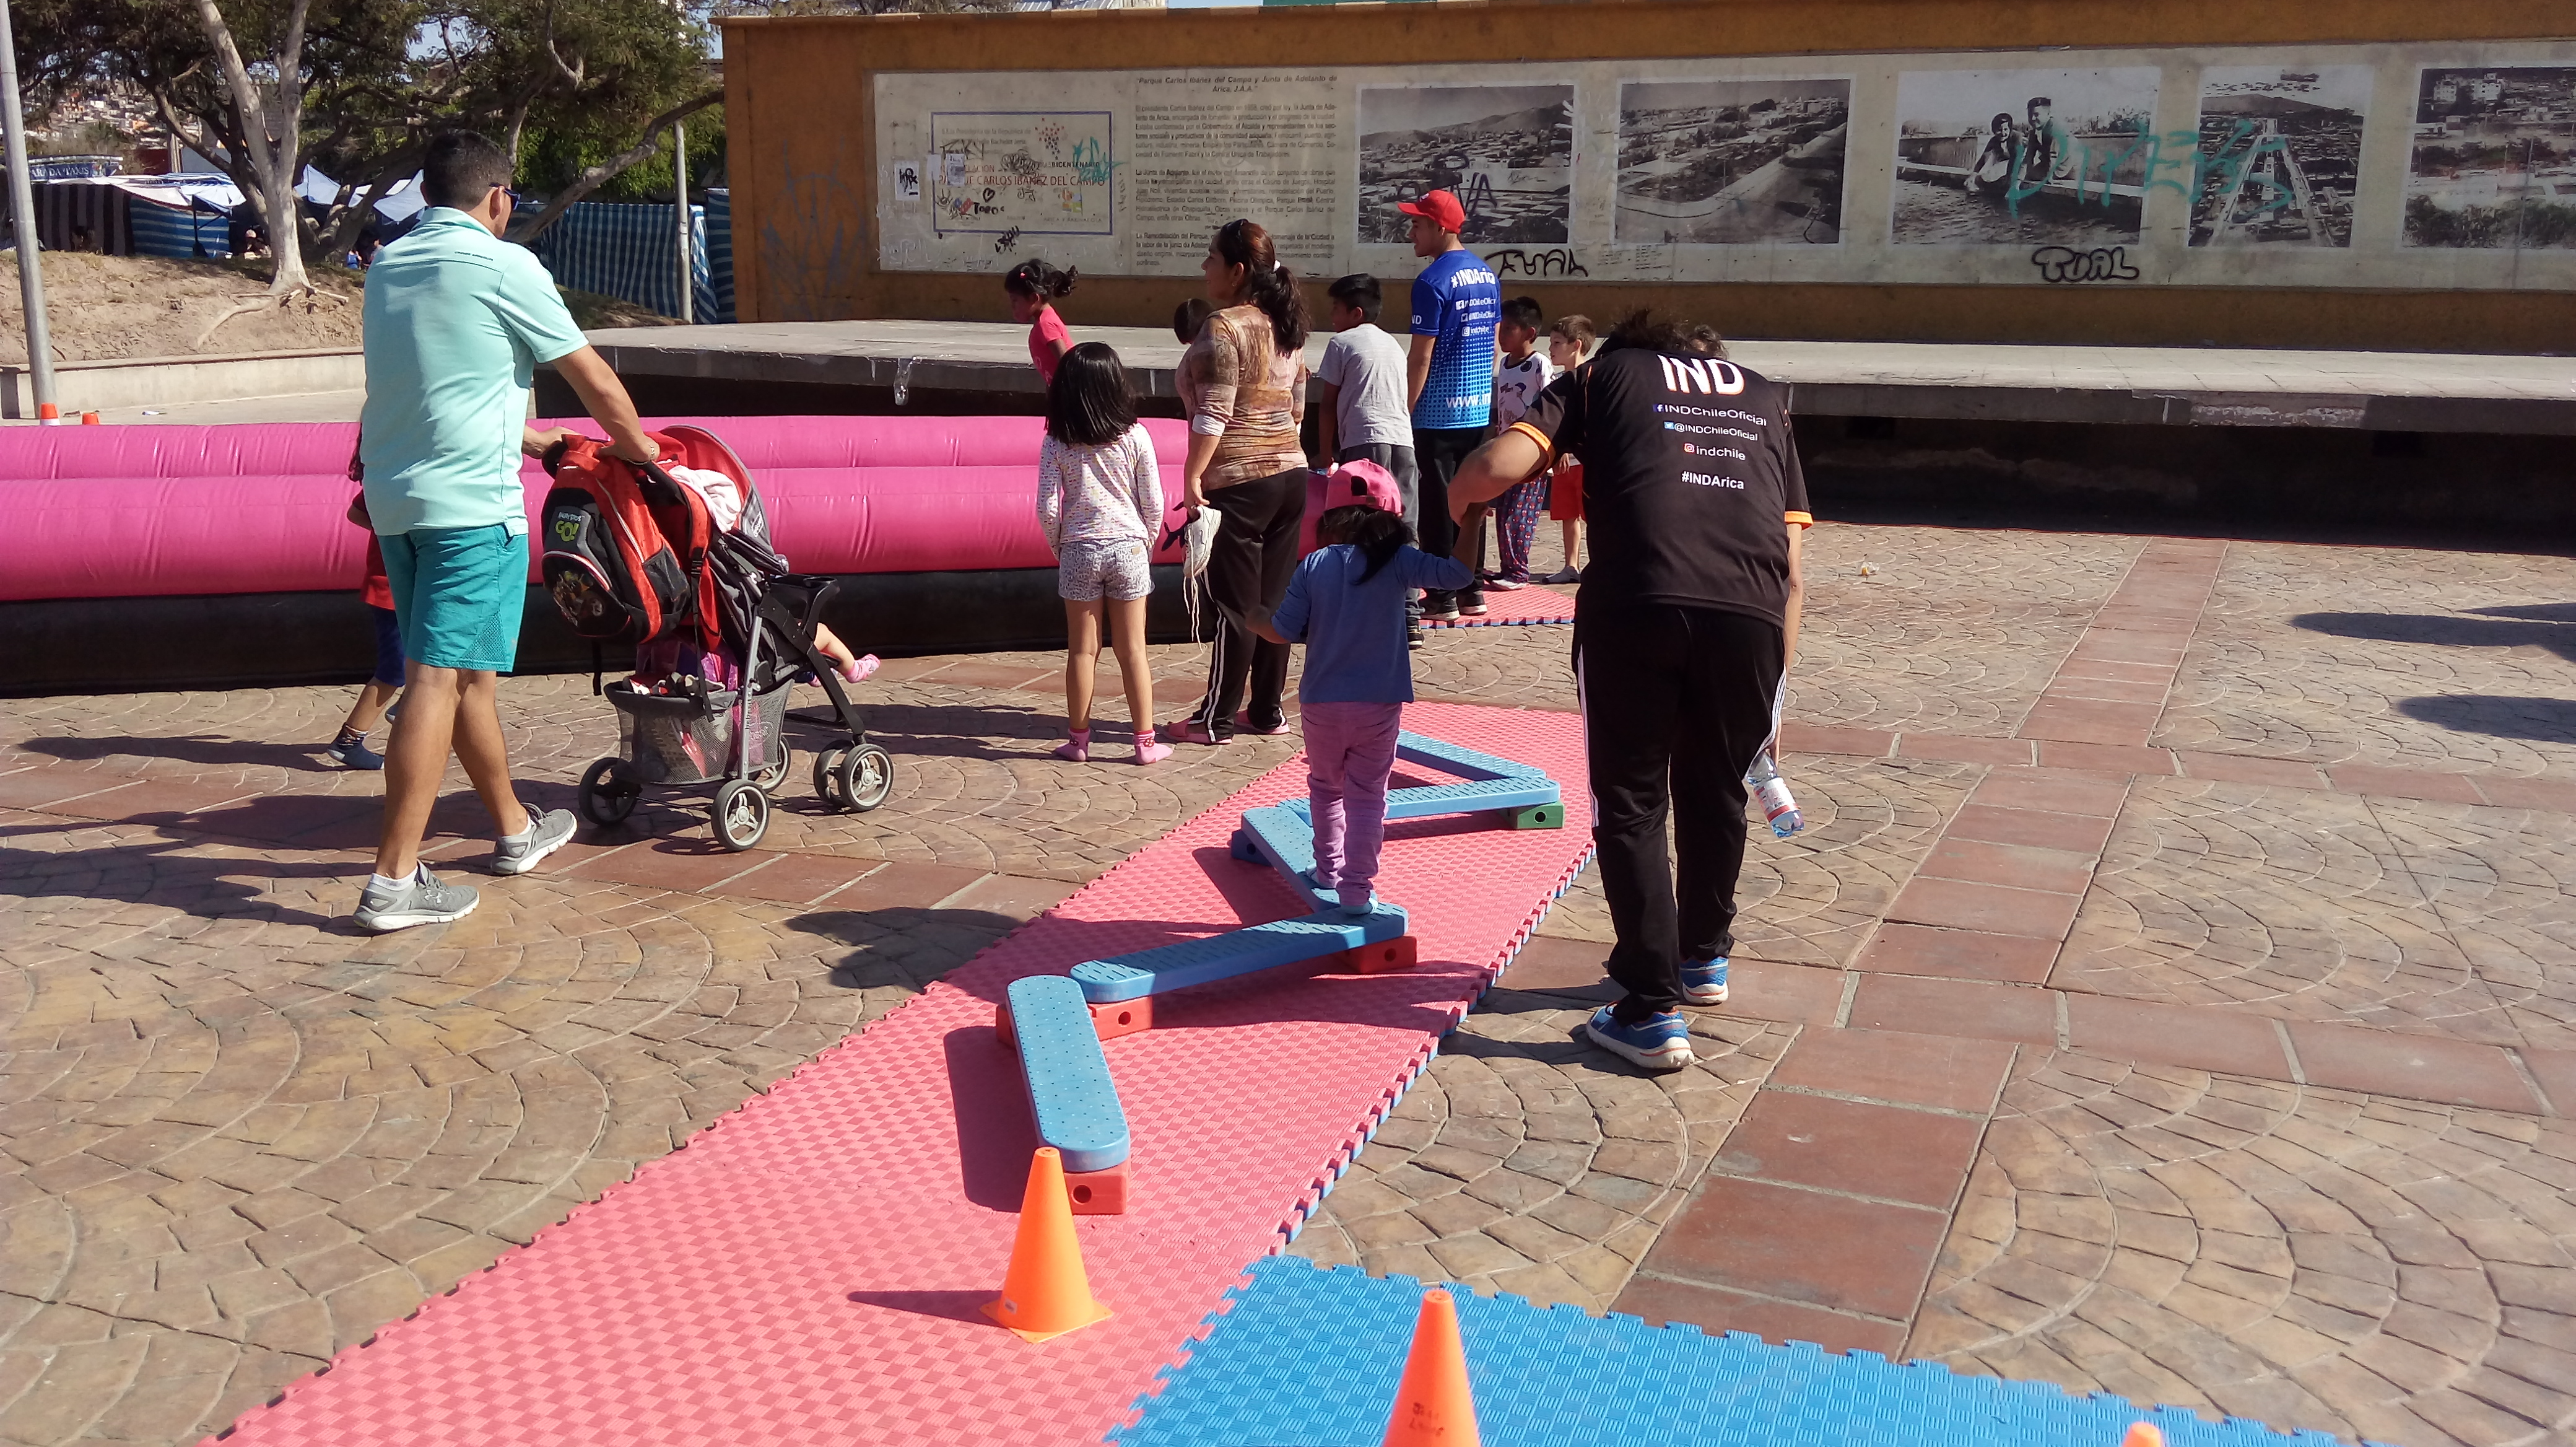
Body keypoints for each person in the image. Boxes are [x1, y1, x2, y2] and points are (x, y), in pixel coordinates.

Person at [1447, 311, 1809, 1072]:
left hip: (1637, 603)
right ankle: (1701, 957)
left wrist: (1458, 503)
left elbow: (1495, 468)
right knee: (1718, 788)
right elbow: (1792, 569)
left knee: (1632, 801)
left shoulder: (1602, 377)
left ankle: (1649, 1007)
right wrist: (1774, 692)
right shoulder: (1762, 397)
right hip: (1749, 614)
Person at [351, 129, 658, 934]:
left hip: (398, 501)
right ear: (499, 199)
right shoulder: (503, 265)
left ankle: (515, 830)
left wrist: (526, 438)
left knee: (467, 679)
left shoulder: (389, 264)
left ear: (426, 196)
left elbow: (435, 386)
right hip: (470, 509)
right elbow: (594, 380)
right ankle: (392, 880)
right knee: (434, 678)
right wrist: (643, 454)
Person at [1251, 503, 1471, 917]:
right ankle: (1356, 889)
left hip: (1322, 703)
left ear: (1331, 531)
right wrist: (1472, 522)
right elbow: (1458, 575)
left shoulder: (1316, 563)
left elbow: (1281, 630)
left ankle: (1328, 871)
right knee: (1369, 796)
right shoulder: (1396, 560)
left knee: (1326, 788)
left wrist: (1255, 617)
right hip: (1378, 704)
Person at [1169, 218, 1311, 747]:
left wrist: (1193, 474)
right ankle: (1268, 711)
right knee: (1272, 602)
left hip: (1239, 480)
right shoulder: (1286, 324)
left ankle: (1216, 720)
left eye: (1212, 257)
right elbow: (1298, 405)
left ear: (1238, 270)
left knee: (1234, 605)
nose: (1204, 267)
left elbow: (1215, 411)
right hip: (1289, 475)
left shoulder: (1224, 327)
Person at [1037, 341, 1173, 766]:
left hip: (1079, 548)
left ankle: (1078, 741)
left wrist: (1060, 544)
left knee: (1082, 650)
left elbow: (1047, 507)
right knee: (1133, 649)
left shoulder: (1056, 442)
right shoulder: (1136, 437)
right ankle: (1145, 743)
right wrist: (1146, 541)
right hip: (1128, 546)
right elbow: (1154, 501)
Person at [1399, 188, 1499, 624]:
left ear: (1440, 227)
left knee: (1438, 506)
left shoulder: (1431, 281)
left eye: (1417, 224)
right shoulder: (1486, 275)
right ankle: (1473, 588)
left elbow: (1421, 357)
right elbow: (1493, 345)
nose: (1411, 233)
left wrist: (1404, 408)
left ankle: (1442, 596)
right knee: (1473, 501)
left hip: (1437, 414)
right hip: (1477, 410)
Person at [1315, 274, 1423, 647]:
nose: (1332, 316)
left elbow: (1327, 404)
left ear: (1355, 313)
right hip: (1403, 443)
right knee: (1404, 526)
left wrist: (1326, 454)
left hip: (1364, 443)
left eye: (1336, 309)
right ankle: (1409, 616)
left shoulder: (1341, 343)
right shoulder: (1393, 344)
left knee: (1360, 527)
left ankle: (1364, 611)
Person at [1484, 295, 1556, 590]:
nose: (1502, 336)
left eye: (1509, 329)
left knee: (1520, 512)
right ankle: (1508, 567)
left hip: (1532, 451)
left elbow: (1554, 405)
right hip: (1506, 447)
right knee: (1504, 510)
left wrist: (1557, 448)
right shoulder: (1504, 363)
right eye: (1500, 329)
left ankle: (1518, 572)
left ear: (1530, 333)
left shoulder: (1540, 364)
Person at [328, 494, 404, 771]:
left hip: (412, 587)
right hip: (391, 589)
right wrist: (394, 530)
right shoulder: (388, 479)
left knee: (435, 654)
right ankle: (347, 743)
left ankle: (407, 708)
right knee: (394, 670)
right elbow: (356, 513)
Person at [1540, 314, 1595, 585]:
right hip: (1563, 463)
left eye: (1557, 342)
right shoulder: (1558, 383)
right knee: (1568, 515)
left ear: (1577, 345)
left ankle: (1598, 566)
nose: (1551, 348)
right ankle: (1571, 566)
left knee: (1593, 515)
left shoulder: (1593, 380)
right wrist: (1558, 452)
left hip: (1587, 462)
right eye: (1551, 342)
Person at [1007, 259, 1077, 385]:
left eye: (1015, 300)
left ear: (1034, 298)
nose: (1012, 306)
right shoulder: (1045, 319)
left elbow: (1067, 364)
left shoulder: (1046, 324)